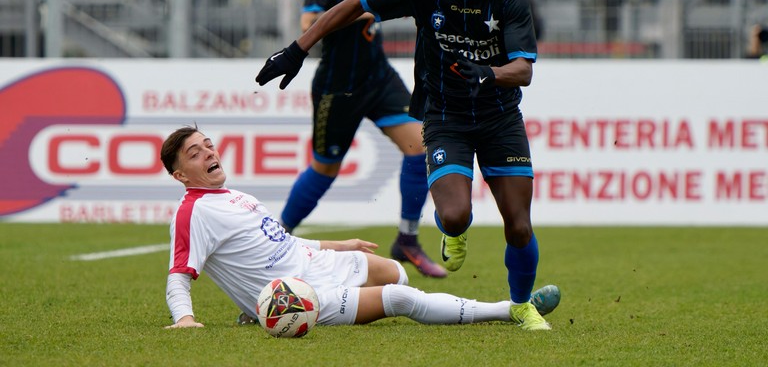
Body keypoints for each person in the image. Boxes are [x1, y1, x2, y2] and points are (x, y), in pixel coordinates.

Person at [256, 0, 551, 330]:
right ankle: (453, 231)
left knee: (518, 225)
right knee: (452, 215)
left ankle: (520, 305)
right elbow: (355, 5)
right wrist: (296, 49)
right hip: (444, 116)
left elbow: (523, 70)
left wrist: (489, 72)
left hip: (500, 119)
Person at [161, 126, 561, 330]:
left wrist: (339, 244)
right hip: (301, 295)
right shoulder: (192, 213)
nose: (209, 153)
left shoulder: (233, 195)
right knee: (402, 297)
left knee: (394, 270)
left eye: (208, 145)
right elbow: (179, 275)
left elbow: (279, 241)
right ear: (180, 174)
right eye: (195, 154)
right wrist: (184, 319)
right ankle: (508, 311)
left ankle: (266, 309)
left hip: (313, 262)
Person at [280, 0, 447, 278]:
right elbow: (308, 24)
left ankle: (407, 238)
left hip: (378, 76)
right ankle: (278, 239)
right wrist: (364, 14)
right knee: (325, 169)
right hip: (339, 86)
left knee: (419, 146)